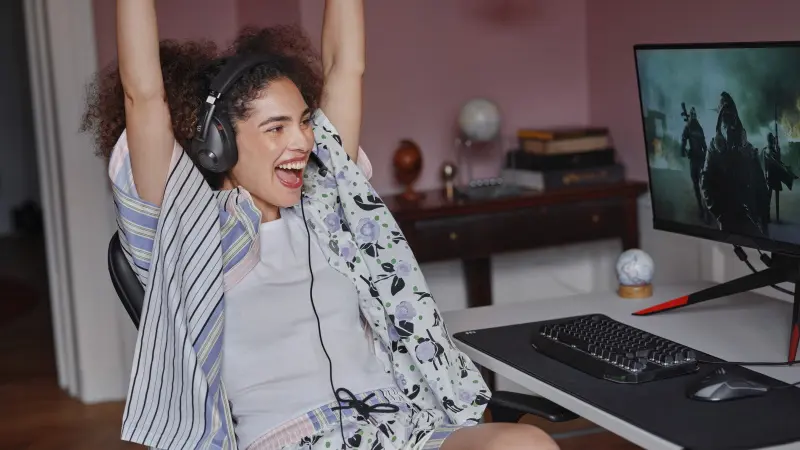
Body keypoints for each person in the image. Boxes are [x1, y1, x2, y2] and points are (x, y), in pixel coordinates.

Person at [81, 1, 559, 450]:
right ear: (218, 143)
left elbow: (345, 66)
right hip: (289, 438)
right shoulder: (187, 229)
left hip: (397, 426)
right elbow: (142, 95)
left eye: (305, 122)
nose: (303, 141)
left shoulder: (329, 201)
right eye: (276, 128)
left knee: (526, 443)